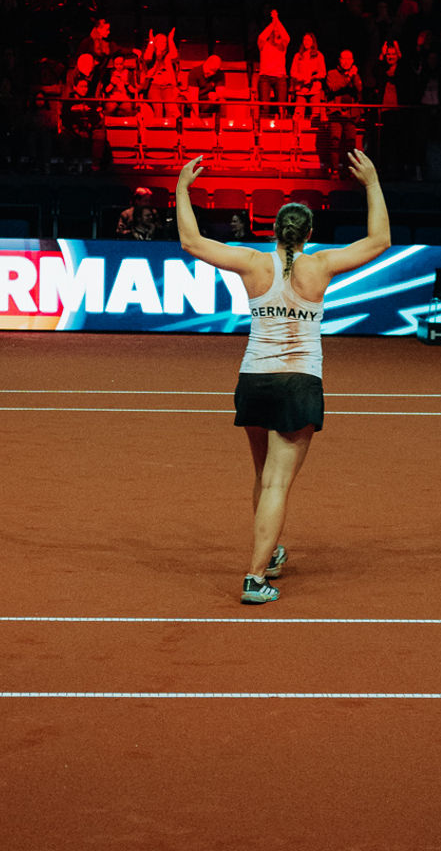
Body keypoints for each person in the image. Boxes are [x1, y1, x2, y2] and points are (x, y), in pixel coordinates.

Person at [174, 148, 390, 604]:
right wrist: (371, 183)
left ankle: (269, 555)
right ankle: (255, 578)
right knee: (276, 481)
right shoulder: (320, 265)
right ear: (309, 234)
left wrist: (181, 187)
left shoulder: (253, 264)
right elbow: (378, 242)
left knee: (261, 474)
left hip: (254, 379)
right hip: (297, 383)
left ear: (273, 231)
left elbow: (192, 243)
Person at [257, 10, 291, 117]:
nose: (277, 32)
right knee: (264, 106)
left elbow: (286, 37)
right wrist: (273, 23)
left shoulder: (282, 46)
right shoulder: (264, 45)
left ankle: (283, 128)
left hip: (280, 77)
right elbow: (261, 36)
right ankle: (263, 129)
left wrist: (277, 20)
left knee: (282, 106)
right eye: (275, 31)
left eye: (278, 31)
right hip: (265, 77)